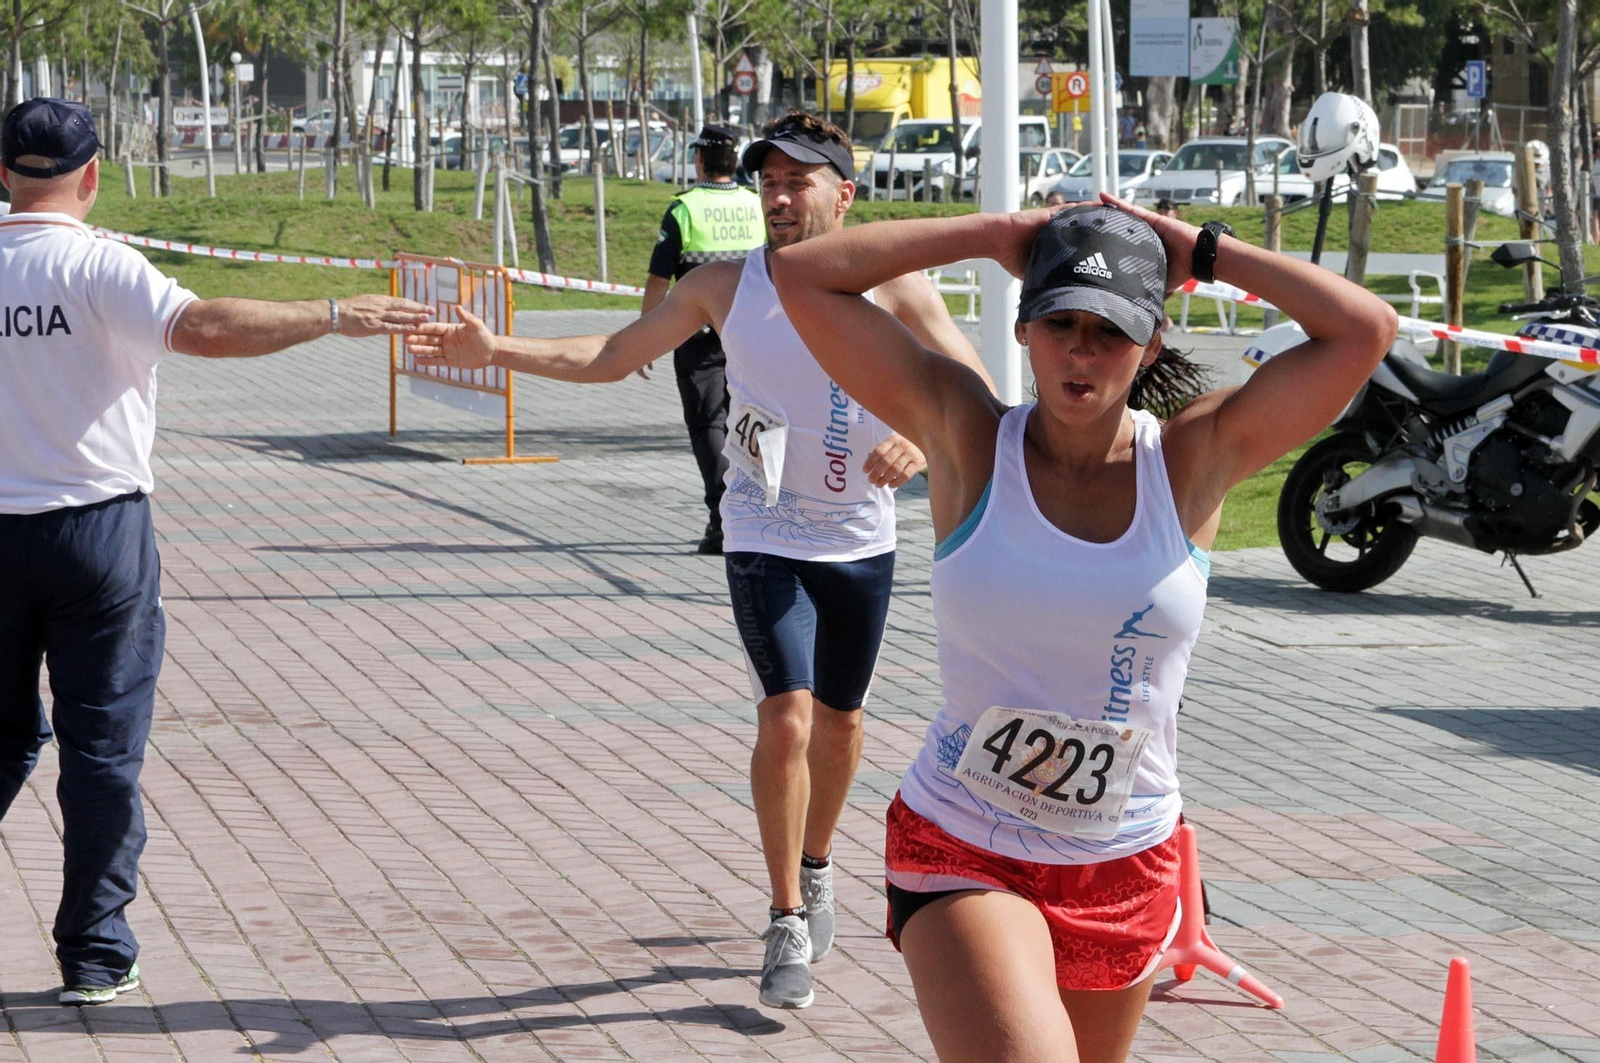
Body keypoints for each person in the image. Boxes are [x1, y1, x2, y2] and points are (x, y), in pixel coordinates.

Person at [769, 201, 1396, 1061]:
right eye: (1060, 321)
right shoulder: (965, 432)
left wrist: (1204, 251)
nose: (1081, 349)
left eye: (1110, 328)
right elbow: (803, 274)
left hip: (1127, 859)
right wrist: (994, 236)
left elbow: (1365, 330)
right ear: (1024, 326)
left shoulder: (1192, 457)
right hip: (963, 840)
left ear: (1150, 342)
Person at [405, 110, 993, 1012]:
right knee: (788, 717)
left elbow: (975, 394)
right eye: (769, 183)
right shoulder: (728, 283)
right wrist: (500, 351)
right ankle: (786, 914)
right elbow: (613, 352)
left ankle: (820, 861)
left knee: (841, 725)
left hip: (859, 539)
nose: (782, 198)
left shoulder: (898, 288)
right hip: (762, 528)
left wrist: (920, 439)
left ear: (846, 191)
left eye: (800, 182)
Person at [0, 98, 433, 1006]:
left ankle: (93, 946)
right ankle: (94, 953)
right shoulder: (97, 262)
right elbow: (202, 328)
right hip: (97, 534)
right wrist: (329, 314)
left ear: (2, 174)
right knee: (103, 751)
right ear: (91, 176)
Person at [640, 122, 765, 555]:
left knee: (708, 423)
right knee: (759, 418)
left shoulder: (684, 210)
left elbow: (658, 280)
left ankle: (722, 519)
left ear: (699, 160)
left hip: (697, 335)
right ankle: (761, 514)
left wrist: (646, 336)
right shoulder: (756, 205)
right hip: (753, 330)